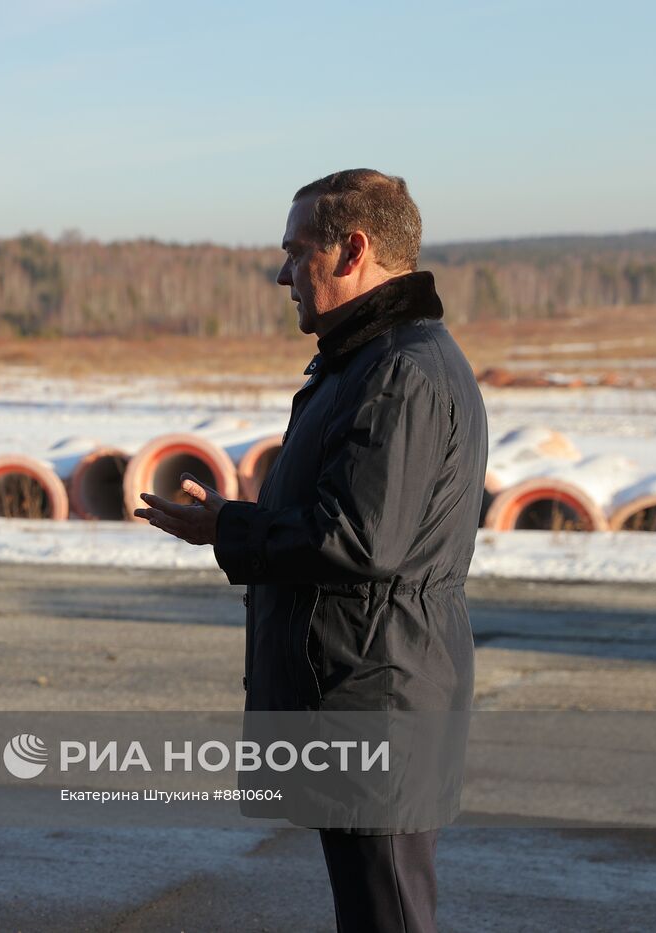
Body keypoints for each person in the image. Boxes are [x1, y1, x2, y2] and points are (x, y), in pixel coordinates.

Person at [135, 169, 487, 932]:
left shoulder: (400, 372)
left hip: (377, 703)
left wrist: (229, 527)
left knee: (387, 912)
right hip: (363, 692)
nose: (283, 272)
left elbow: (361, 536)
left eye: (297, 252)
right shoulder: (370, 360)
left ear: (353, 247)